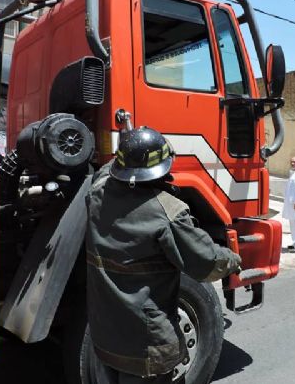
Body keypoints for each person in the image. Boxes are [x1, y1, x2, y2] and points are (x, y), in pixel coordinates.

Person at [85, 126, 242, 384]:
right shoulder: (168, 213)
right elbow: (206, 262)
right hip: (146, 347)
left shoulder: (97, 192)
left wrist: (130, 147)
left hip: (105, 337)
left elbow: (107, 169)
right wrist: (234, 260)